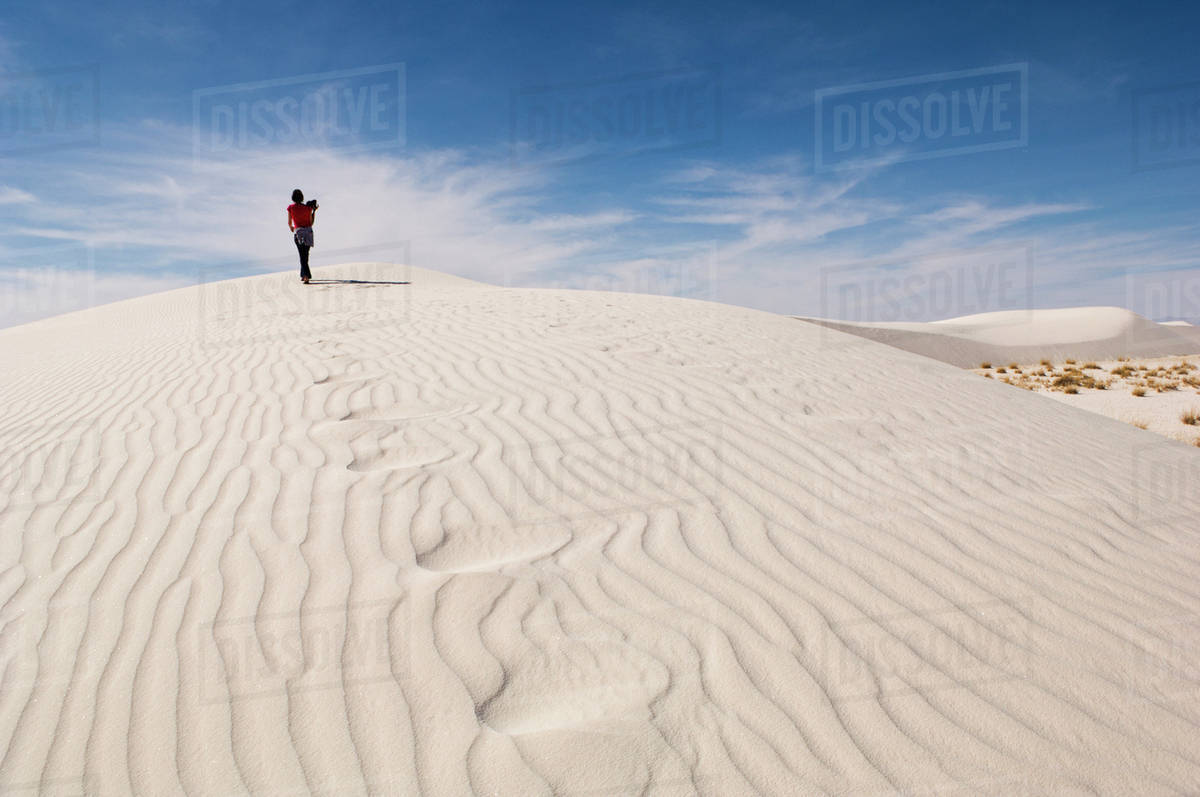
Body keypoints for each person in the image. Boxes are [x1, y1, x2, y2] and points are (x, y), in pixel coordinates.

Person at [287, 189, 318, 283]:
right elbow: (311, 223)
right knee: (305, 255)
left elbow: (289, 222)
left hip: (299, 232)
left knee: (302, 255)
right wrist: (313, 212)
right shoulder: (307, 208)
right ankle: (304, 274)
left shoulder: (291, 207)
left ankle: (306, 276)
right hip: (308, 232)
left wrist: (291, 227)